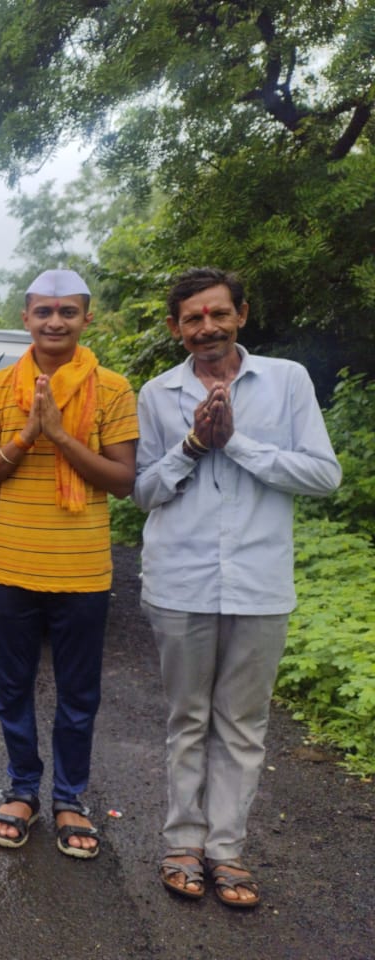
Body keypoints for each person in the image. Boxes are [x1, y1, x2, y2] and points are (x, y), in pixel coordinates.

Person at [134, 267, 341, 906]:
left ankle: (227, 852)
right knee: (187, 718)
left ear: (241, 315)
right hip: (179, 580)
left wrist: (238, 444)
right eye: (193, 318)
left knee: (244, 725)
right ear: (175, 328)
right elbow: (142, 491)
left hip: (259, 581)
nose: (207, 328)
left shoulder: (286, 381)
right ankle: (181, 845)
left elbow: (323, 475)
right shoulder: (158, 393)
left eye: (218, 314)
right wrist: (194, 445)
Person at [0, 268, 137, 859]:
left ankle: (68, 796)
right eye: (44, 312)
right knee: (11, 687)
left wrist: (61, 438)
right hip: (10, 562)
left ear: (87, 318)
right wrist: (25, 437)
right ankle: (20, 789)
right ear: (26, 319)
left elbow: (120, 481)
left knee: (78, 692)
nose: (55, 322)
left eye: (67, 312)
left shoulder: (112, 388)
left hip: (82, 567)